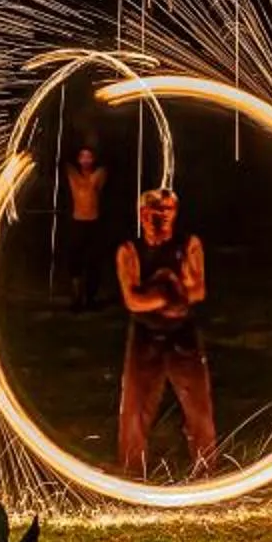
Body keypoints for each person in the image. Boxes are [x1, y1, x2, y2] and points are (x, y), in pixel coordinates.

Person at [116, 187, 219, 476]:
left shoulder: (188, 245)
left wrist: (160, 292)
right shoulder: (129, 251)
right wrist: (169, 291)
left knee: (199, 410)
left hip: (182, 335)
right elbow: (133, 300)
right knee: (134, 411)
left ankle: (206, 476)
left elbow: (198, 291)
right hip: (145, 336)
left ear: (175, 214)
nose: (161, 218)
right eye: (154, 212)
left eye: (168, 211)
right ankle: (132, 477)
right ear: (142, 214)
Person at [59, 144, 114, 309]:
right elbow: (61, 161)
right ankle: (76, 297)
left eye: (89, 156)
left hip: (94, 224)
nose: (86, 160)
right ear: (77, 159)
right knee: (75, 261)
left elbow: (91, 186)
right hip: (77, 223)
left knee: (93, 262)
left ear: (94, 159)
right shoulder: (72, 173)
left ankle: (90, 298)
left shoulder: (99, 173)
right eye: (82, 156)